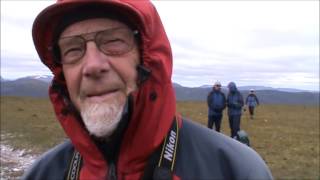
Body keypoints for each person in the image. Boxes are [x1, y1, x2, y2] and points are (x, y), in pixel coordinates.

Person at [22, 1, 273, 179]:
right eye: (73, 49)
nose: (92, 66)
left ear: (149, 58)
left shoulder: (234, 171)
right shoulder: (42, 174)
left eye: (113, 41)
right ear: (62, 73)